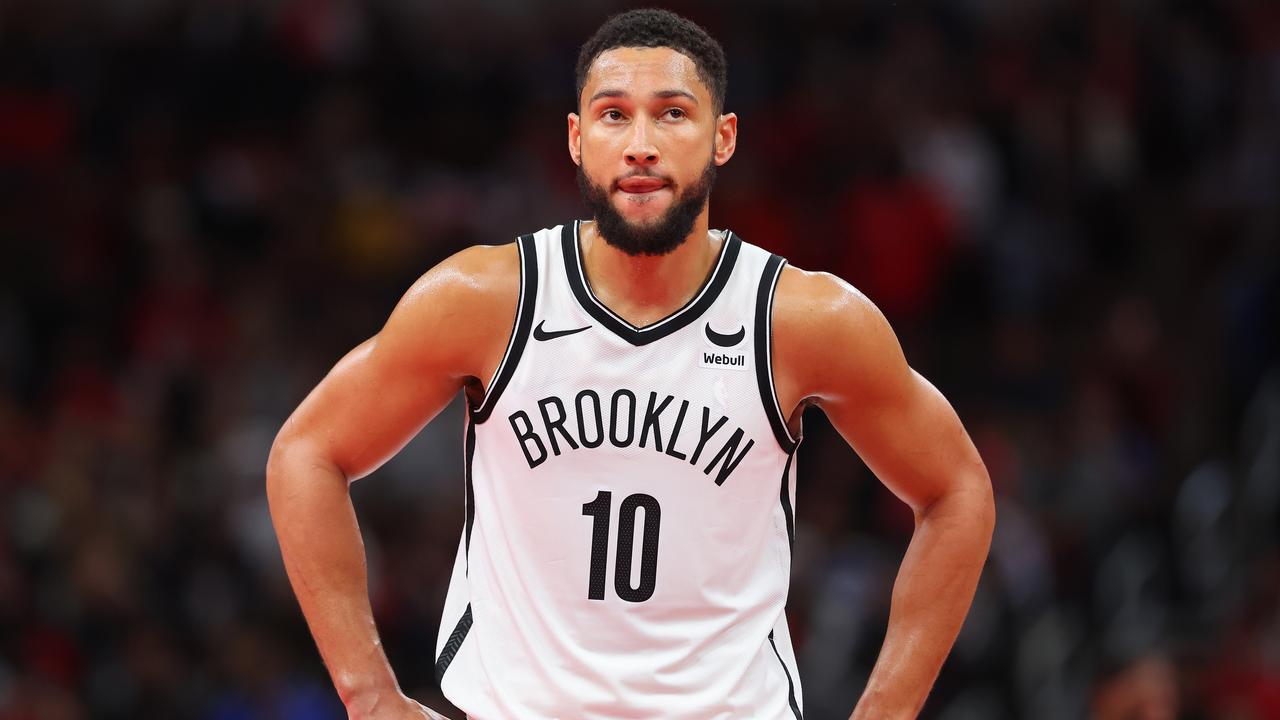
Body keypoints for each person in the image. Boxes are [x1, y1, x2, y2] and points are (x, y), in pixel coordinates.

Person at [266, 8, 995, 720]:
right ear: (578, 140)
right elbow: (307, 452)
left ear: (723, 138)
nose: (641, 143)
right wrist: (368, 695)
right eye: (614, 115)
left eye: (673, 114)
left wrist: (887, 710)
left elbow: (957, 491)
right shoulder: (487, 299)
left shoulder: (800, 320)